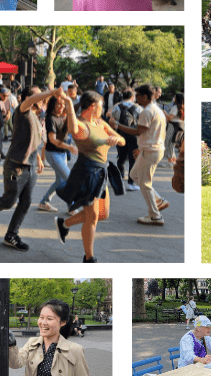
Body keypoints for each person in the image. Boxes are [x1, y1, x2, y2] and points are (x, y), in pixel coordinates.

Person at [0, 86, 56, 252]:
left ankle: (11, 235)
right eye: (36, 95)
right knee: (9, 201)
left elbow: (34, 139)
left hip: (30, 166)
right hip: (16, 166)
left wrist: (38, 157)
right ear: (27, 98)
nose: (40, 98)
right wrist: (51, 92)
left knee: (26, 202)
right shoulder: (22, 111)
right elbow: (30, 102)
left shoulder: (37, 115)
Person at [54, 91, 124, 262]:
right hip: (87, 173)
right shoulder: (81, 124)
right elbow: (72, 129)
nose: (103, 108)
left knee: (103, 214)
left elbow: (122, 140)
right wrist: (70, 105)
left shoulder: (100, 122)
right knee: (92, 218)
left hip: (102, 172)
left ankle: (63, 224)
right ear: (93, 106)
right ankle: (89, 258)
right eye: (101, 105)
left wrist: (116, 139)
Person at [9, 299, 97, 376]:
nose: (43, 322)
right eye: (41, 317)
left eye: (49, 319)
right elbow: (15, 363)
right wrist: (11, 345)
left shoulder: (75, 350)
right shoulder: (32, 343)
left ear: (63, 322)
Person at [109, 85, 168, 225]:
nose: (136, 98)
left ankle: (155, 215)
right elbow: (147, 133)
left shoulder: (147, 111)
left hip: (151, 150)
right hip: (150, 149)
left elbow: (138, 131)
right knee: (134, 175)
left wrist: (117, 125)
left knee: (145, 182)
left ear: (146, 97)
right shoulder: (156, 110)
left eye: (139, 95)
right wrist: (141, 149)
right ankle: (158, 201)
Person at [37, 96, 77, 213]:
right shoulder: (50, 118)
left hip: (62, 154)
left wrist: (68, 109)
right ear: (53, 104)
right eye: (59, 104)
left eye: (63, 104)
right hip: (53, 154)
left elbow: (70, 130)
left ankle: (44, 202)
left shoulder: (62, 117)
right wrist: (69, 147)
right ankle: (71, 207)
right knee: (69, 180)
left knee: (60, 182)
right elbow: (53, 140)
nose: (61, 106)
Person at [110, 90, 140, 191]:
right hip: (134, 136)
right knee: (133, 160)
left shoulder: (117, 107)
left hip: (120, 135)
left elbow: (112, 122)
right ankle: (131, 183)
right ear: (132, 96)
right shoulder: (138, 108)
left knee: (121, 158)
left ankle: (119, 178)